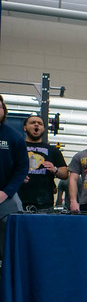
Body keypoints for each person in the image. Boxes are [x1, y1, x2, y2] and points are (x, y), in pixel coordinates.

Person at [0, 94, 30, 260]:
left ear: (4, 111)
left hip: (6, 197)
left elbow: (22, 167)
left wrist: (6, 192)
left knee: (10, 242)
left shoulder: (14, 137)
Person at [20, 114, 68, 211]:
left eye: (40, 124)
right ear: (25, 128)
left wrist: (55, 170)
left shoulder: (53, 150)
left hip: (44, 202)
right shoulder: (16, 147)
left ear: (44, 129)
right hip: (18, 199)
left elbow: (65, 174)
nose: (36, 125)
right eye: (33, 123)